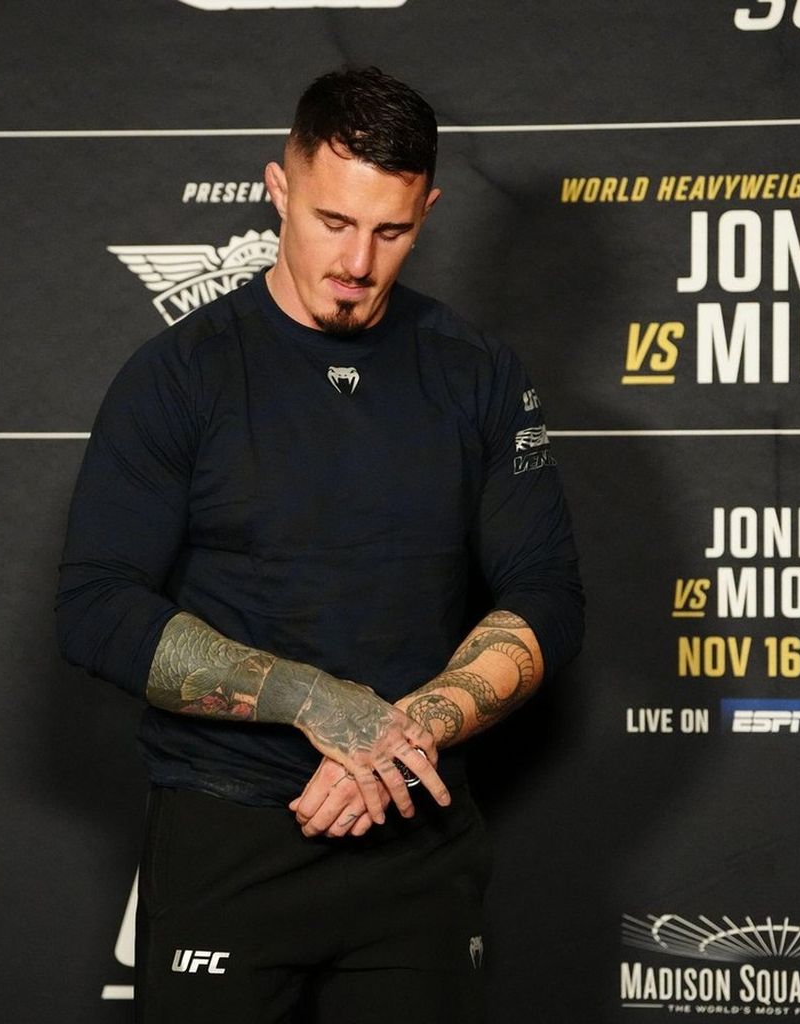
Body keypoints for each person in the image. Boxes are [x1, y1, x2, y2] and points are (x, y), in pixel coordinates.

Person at [57, 65, 582, 1023]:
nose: (357, 262)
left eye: (391, 231)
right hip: (228, 833)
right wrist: (314, 700)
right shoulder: (179, 375)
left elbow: (545, 595)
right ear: (278, 188)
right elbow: (97, 607)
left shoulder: (477, 374)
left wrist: (402, 735)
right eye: (332, 221)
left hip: (416, 838)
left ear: (427, 212)